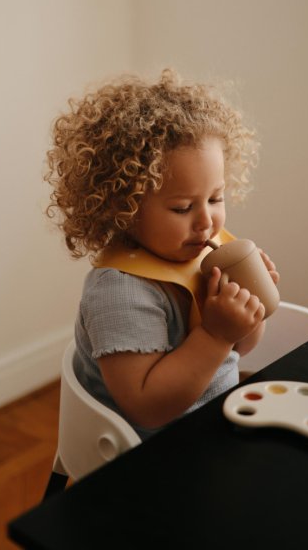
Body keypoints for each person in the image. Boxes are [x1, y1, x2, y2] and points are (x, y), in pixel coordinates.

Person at [44, 68, 280, 439]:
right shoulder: (119, 292)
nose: (206, 221)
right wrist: (216, 335)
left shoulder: (200, 251)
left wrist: (247, 313)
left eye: (216, 198)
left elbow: (240, 350)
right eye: (183, 207)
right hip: (149, 455)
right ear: (124, 205)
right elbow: (147, 407)